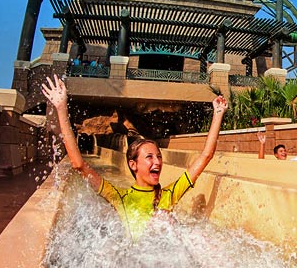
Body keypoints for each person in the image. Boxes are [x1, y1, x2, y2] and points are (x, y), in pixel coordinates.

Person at [41, 74, 228, 241]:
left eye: (158, 156)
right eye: (149, 157)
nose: (157, 162)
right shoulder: (121, 198)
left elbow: (206, 156)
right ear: (133, 164)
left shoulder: (170, 194)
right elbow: (79, 164)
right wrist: (61, 108)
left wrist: (217, 115)